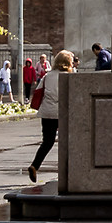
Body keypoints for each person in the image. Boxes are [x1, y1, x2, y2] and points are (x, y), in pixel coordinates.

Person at [28, 50, 75, 185]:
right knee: (68, 142)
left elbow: (38, 92)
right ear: (67, 63)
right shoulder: (70, 76)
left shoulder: (47, 76)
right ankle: (67, 171)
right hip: (63, 112)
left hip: (47, 112)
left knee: (47, 142)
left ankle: (34, 166)